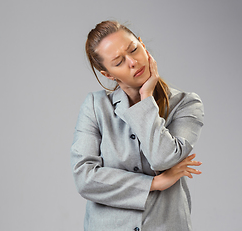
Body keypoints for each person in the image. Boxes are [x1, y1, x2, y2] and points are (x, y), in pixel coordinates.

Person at [70, 20, 204, 231]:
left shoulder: (186, 104)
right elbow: (85, 179)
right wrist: (155, 183)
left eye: (134, 49)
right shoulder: (95, 107)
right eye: (118, 62)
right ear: (108, 74)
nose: (133, 62)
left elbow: (162, 158)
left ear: (143, 45)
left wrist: (146, 97)